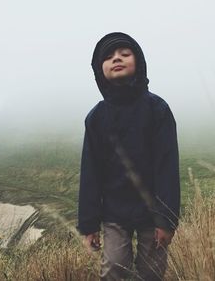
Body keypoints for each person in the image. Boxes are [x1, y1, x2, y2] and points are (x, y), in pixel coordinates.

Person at [77, 32, 181, 281]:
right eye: (109, 57)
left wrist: (166, 221)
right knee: (114, 268)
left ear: (139, 62)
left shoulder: (158, 110)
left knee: (151, 271)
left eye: (125, 54)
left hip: (153, 210)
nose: (117, 59)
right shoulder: (96, 118)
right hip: (114, 212)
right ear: (99, 69)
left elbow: (167, 167)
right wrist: (89, 225)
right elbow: (90, 173)